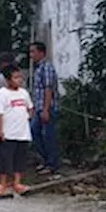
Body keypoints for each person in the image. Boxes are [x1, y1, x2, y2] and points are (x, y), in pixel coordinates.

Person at [0, 64, 33, 196]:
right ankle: (2, 183)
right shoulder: (2, 94)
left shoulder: (24, 93)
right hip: (8, 132)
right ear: (8, 80)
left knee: (19, 159)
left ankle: (17, 182)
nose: (19, 80)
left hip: (22, 132)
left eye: (20, 77)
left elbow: (30, 108)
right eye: (16, 77)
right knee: (5, 159)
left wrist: (28, 116)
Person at [29, 41, 62, 173]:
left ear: (41, 52)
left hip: (47, 107)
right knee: (34, 131)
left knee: (48, 135)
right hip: (38, 107)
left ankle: (52, 163)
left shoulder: (47, 67)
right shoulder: (38, 68)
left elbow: (48, 90)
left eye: (33, 51)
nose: (31, 55)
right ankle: (46, 159)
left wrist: (46, 109)